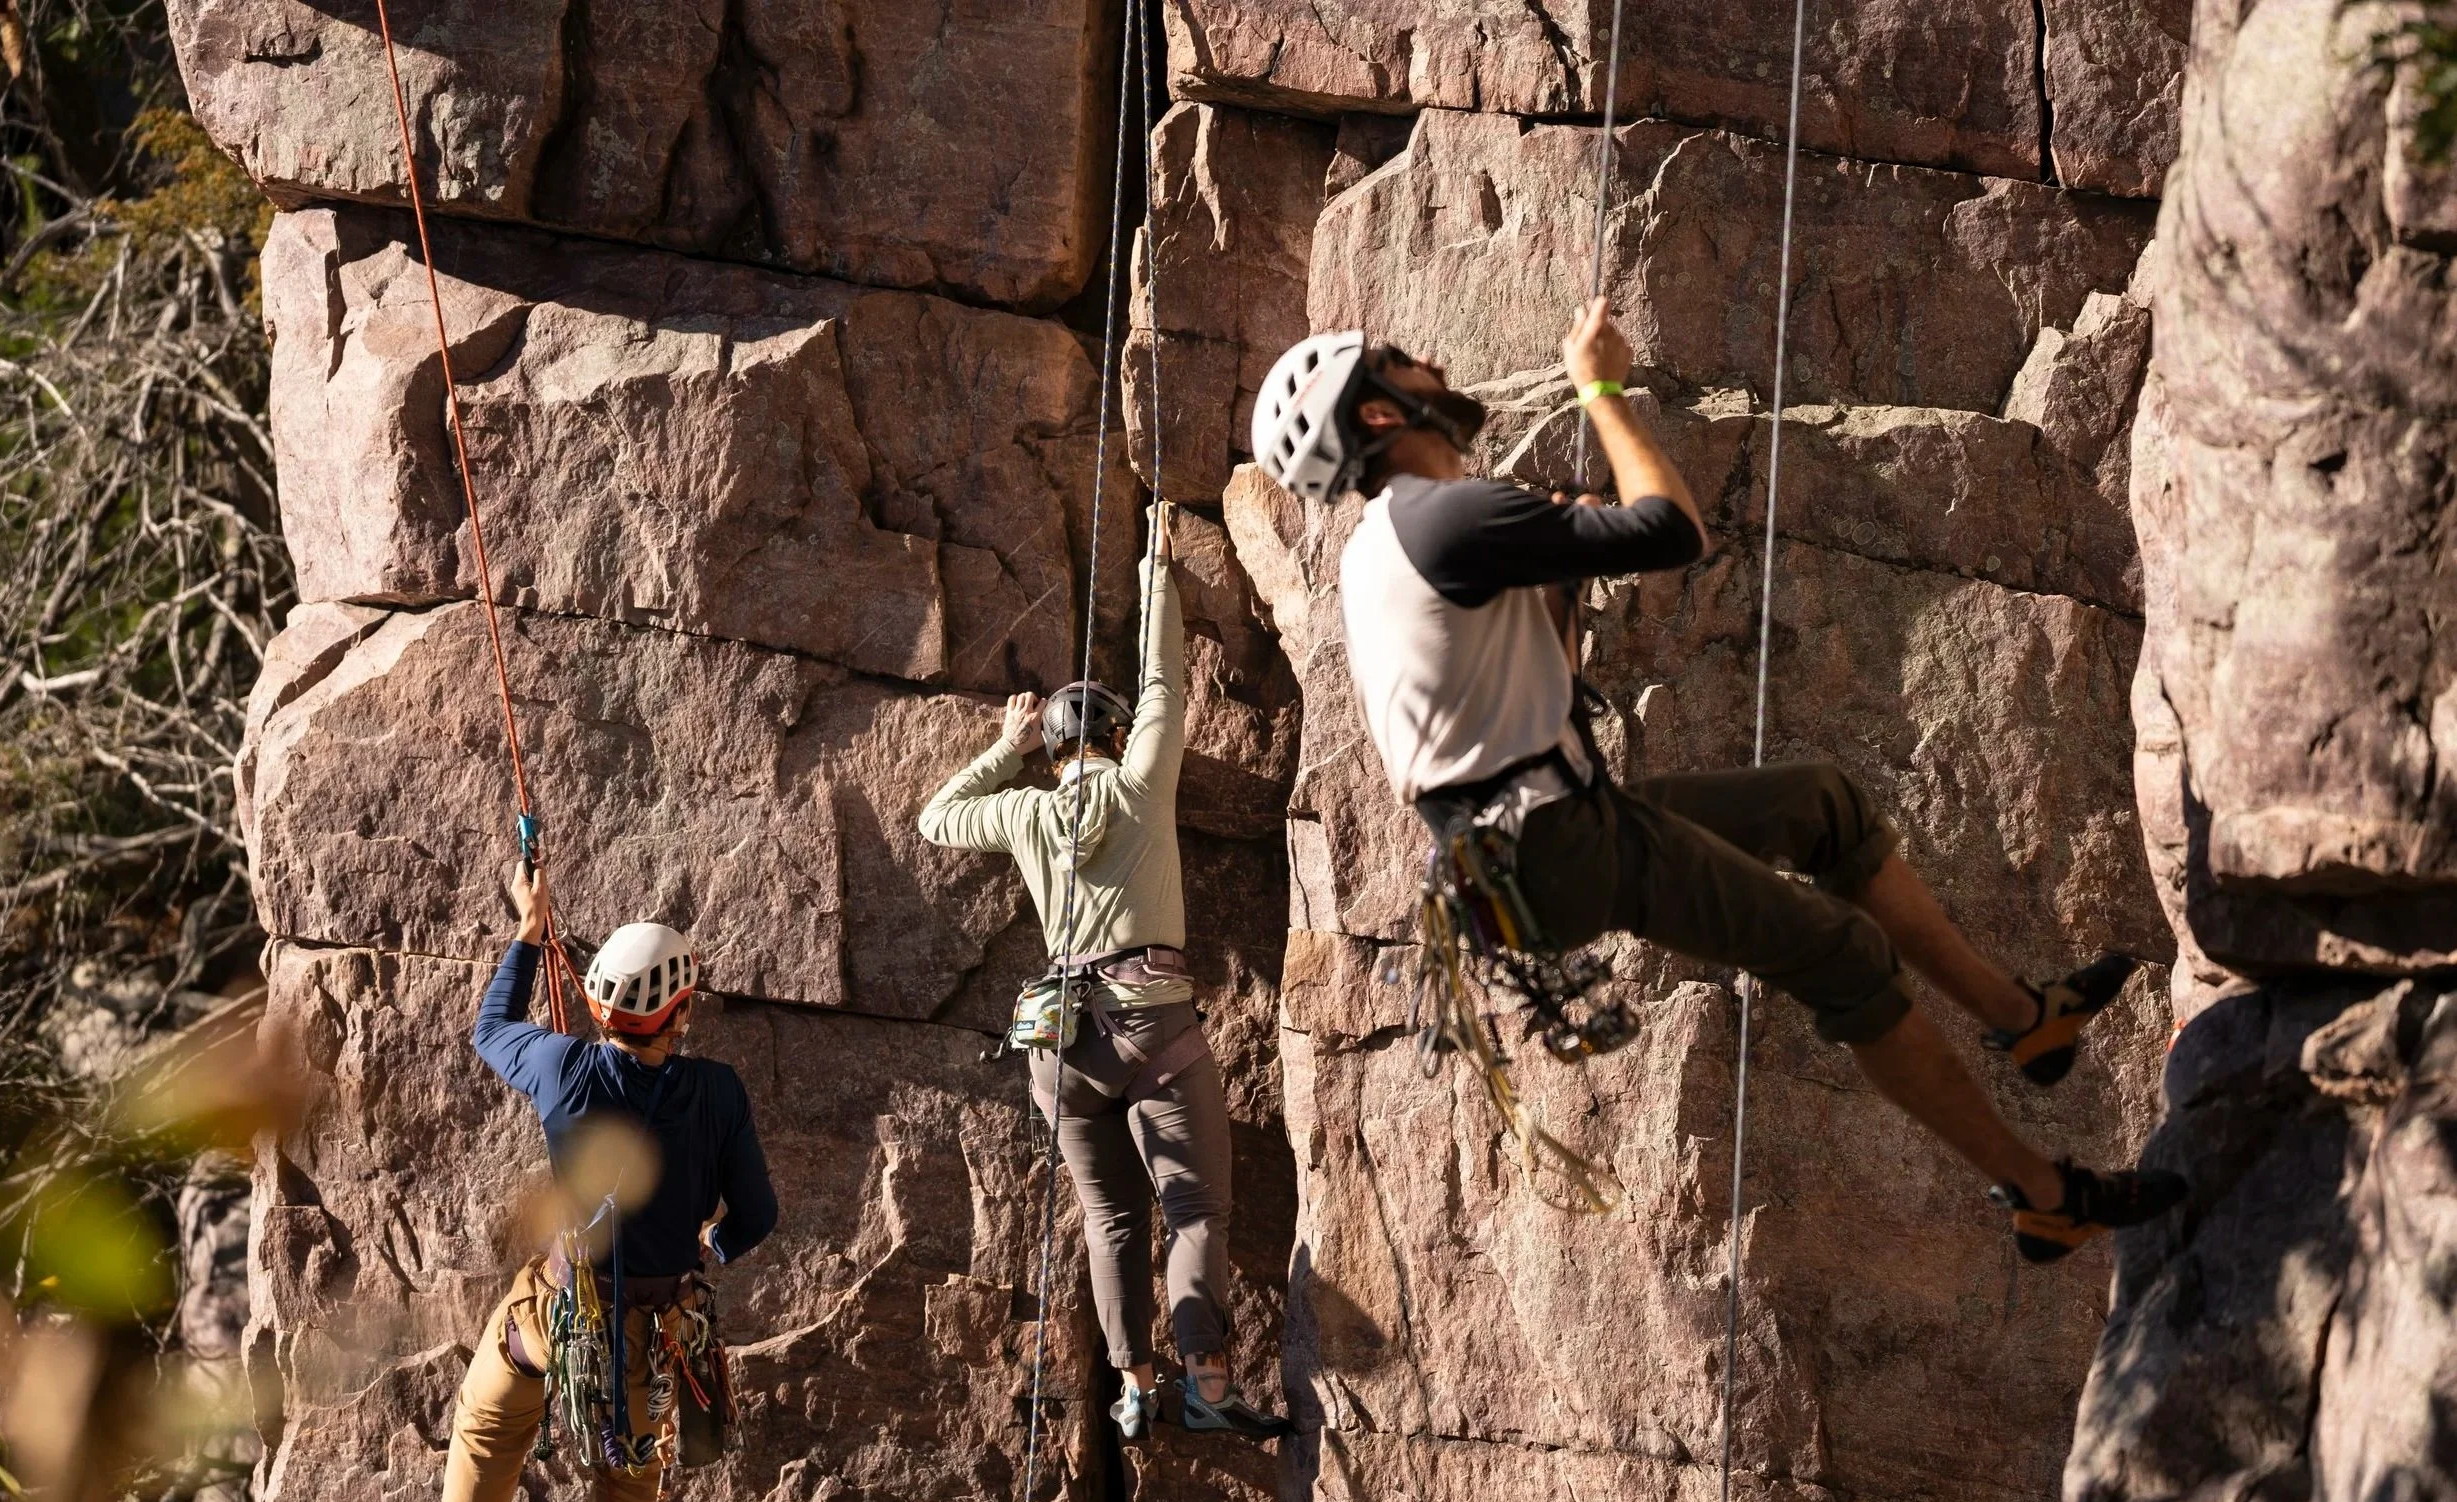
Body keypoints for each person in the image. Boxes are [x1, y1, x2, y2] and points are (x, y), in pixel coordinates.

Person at [1248, 299, 2186, 1264]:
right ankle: (2045, 1194)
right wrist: (1601, 390)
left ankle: (2025, 1021)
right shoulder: (1450, 517)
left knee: (1820, 804)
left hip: (1532, 844)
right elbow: (1670, 528)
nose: (1431, 359)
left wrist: (1562, 590)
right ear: (1375, 415)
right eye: (1403, 361)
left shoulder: (1390, 543)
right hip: (1552, 841)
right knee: (1844, 956)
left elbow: (1531, 689)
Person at [918, 547, 1286, 1443]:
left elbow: (935, 818)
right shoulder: (1137, 784)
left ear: (1051, 752)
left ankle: (1131, 1384)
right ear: (1117, 738)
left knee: (1109, 1213)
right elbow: (1165, 682)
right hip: (1150, 1019)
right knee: (1194, 1208)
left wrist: (1005, 751)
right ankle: (1205, 1378)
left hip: (1059, 1041)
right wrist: (1156, 565)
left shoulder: (1026, 808)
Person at [409, 869, 779, 1502]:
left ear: (607, 1005)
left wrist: (529, 930)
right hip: (650, 1327)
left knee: (486, 1424)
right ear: (677, 1011)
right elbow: (759, 1216)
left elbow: (490, 1026)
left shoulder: (561, 1067)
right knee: (629, 1472)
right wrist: (704, 1250)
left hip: (554, 1310)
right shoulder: (717, 1092)